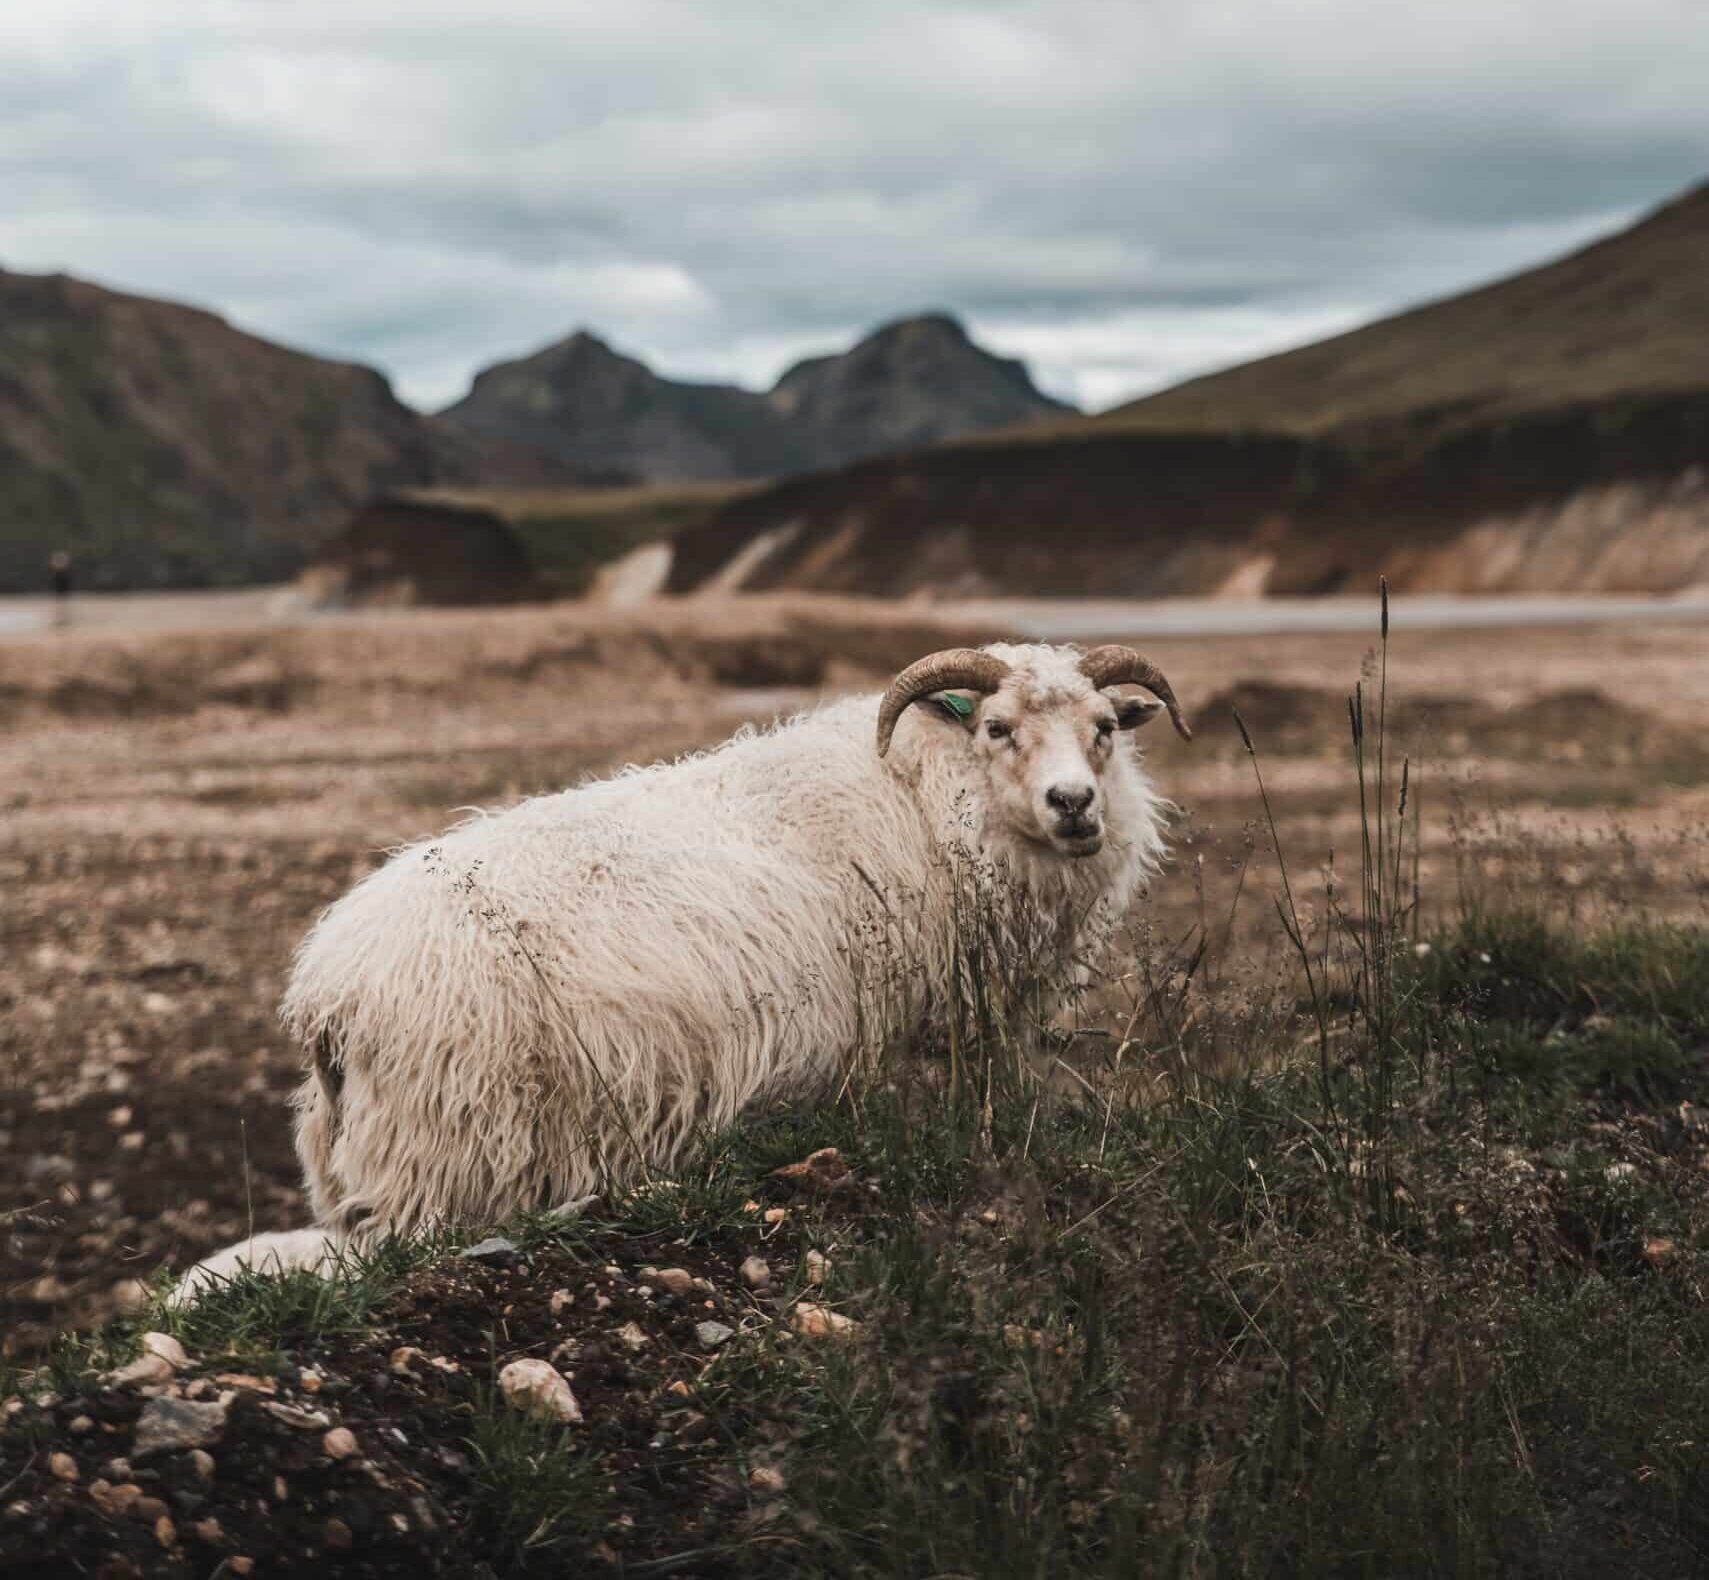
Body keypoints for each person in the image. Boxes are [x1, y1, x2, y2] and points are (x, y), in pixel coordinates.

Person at [49, 551, 73, 626]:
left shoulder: (62, 574)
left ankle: (62, 621)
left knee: (62, 608)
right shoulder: (59, 574)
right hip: (60, 592)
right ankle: (61, 621)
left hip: (62, 592)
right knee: (60, 608)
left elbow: (65, 583)